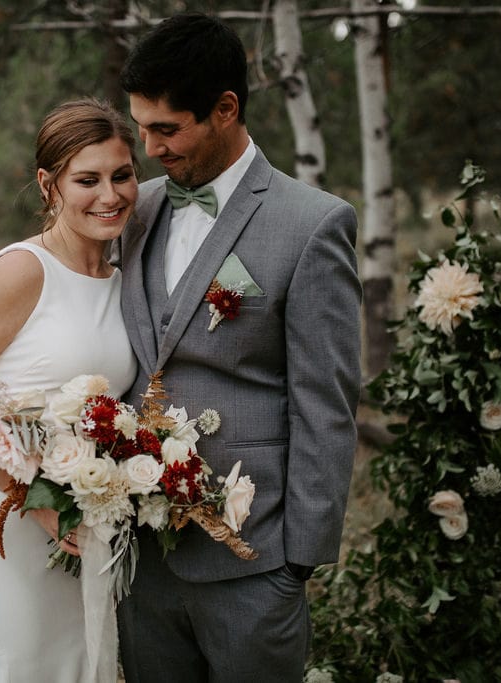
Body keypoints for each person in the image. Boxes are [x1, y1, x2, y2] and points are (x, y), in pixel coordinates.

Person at [115, 13, 362, 682]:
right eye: (141, 127)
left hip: (253, 566)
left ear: (225, 108)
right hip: (141, 561)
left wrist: (295, 564)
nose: (148, 146)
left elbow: (327, 403)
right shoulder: (133, 211)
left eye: (165, 129)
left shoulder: (311, 225)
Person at [0, 98, 139, 682]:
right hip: (6, 518)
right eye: (87, 179)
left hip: (84, 523)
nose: (109, 195)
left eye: (122, 175)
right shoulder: (21, 272)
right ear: (49, 185)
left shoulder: (124, 281)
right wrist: (36, 501)